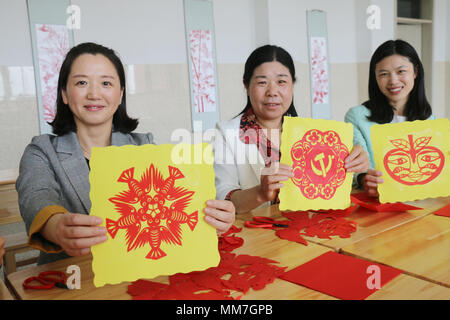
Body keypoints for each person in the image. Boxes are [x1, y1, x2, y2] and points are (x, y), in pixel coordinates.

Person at [16, 42, 235, 265]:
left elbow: (173, 209)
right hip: (71, 278)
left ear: (120, 95)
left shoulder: (144, 146)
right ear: (64, 94)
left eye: (106, 83)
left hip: (137, 273)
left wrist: (213, 219)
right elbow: (36, 198)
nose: (94, 94)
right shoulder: (42, 151)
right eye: (81, 82)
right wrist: (56, 226)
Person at [214, 45, 369, 213]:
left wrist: (354, 165)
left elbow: (329, 185)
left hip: (308, 229)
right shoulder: (226, 133)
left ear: (292, 84)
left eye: (281, 82)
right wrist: (260, 193)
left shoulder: (311, 132)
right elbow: (224, 197)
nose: (272, 92)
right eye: (262, 82)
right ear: (246, 85)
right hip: (256, 234)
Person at [345, 39, 434, 197]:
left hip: (424, 205)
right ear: (375, 78)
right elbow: (356, 166)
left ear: (415, 72)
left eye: (401, 71)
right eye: (384, 74)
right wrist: (363, 179)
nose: (393, 81)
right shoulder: (357, 117)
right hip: (379, 208)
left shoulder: (430, 120)